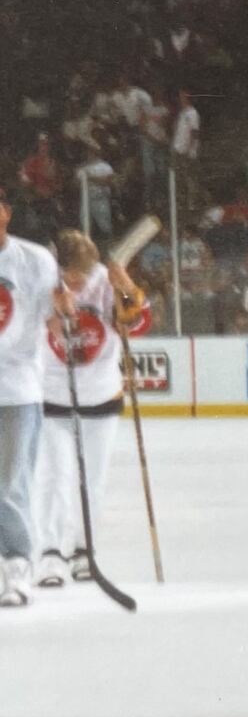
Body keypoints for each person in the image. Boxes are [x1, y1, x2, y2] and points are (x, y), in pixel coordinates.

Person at [34, 232, 151, 588]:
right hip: (53, 394)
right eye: (72, 275)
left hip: (100, 395)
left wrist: (125, 285)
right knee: (54, 477)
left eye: (85, 274)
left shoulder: (105, 279)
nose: (79, 282)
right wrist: (51, 314)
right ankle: (52, 552)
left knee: (93, 479)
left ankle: (86, 549)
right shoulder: (42, 281)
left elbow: (137, 324)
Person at [0, 187, 63, 607]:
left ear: (5, 212)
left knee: (11, 484)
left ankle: (18, 563)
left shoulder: (35, 260)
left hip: (16, 389)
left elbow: (55, 323)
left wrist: (65, 312)